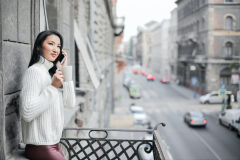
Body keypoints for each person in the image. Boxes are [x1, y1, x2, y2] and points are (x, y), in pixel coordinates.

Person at [20, 30, 76, 160]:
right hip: (40, 146)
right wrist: (53, 87)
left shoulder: (49, 73)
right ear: (39, 47)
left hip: (55, 144)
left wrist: (64, 70)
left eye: (58, 46)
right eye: (51, 44)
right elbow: (27, 112)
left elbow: (70, 103)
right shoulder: (34, 72)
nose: (55, 49)